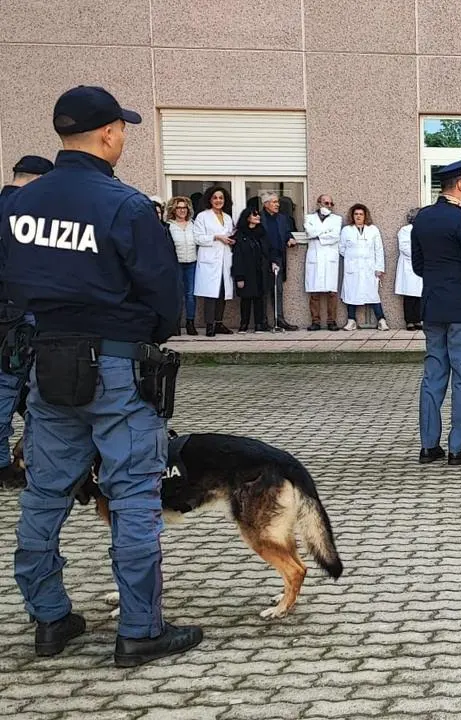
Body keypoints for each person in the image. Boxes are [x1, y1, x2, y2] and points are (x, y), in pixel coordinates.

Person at [0, 85, 201, 665]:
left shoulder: (17, 206)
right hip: (118, 367)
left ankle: (49, 619)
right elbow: (165, 300)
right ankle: (139, 630)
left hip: (47, 365)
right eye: (122, 130)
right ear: (109, 133)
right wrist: (137, 334)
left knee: (44, 496)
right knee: (134, 496)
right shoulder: (126, 205)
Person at [412, 156, 461, 466]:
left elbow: (418, 265)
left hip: (433, 307)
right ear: (460, 185)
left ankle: (428, 447)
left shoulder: (422, 218)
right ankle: (458, 447)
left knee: (433, 376)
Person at [0, 155, 53, 490]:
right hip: (21, 318)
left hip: (10, 316)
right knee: (29, 393)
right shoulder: (26, 214)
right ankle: (22, 465)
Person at [192, 186, 235, 337]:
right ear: (209, 200)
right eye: (215, 198)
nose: (218, 200)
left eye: (221, 198)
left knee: (222, 292)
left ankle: (219, 323)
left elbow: (230, 234)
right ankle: (209, 325)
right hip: (209, 259)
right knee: (210, 294)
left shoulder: (227, 217)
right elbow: (197, 238)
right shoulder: (202, 216)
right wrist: (216, 237)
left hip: (224, 259)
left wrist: (231, 240)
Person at [338, 203, 388, 331]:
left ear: (365, 216)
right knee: (351, 294)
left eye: (361, 214)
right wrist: (353, 257)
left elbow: (379, 249)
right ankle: (351, 320)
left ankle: (381, 320)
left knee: (373, 294)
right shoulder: (346, 230)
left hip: (369, 268)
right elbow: (341, 248)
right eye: (356, 214)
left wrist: (379, 268)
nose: (358, 216)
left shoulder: (373, 230)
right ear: (352, 216)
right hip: (353, 268)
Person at [303, 195, 342, 331]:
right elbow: (309, 232)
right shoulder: (309, 218)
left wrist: (317, 235)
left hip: (330, 258)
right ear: (319, 203)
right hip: (315, 256)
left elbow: (335, 236)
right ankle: (315, 322)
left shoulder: (337, 219)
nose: (329, 206)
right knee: (314, 293)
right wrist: (325, 232)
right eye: (326, 203)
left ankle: (331, 321)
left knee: (332, 292)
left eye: (331, 203)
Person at [260, 192, 299, 332]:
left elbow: (287, 232)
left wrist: (290, 239)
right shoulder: (259, 218)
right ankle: (262, 321)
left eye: (277, 202)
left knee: (278, 290)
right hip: (263, 259)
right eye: (274, 202)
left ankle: (279, 319)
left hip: (278, 258)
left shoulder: (283, 218)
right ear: (266, 204)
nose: (277, 205)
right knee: (263, 290)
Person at [231, 207, 271, 333]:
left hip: (260, 271)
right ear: (247, 218)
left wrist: (272, 263)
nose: (258, 217)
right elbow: (237, 257)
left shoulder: (262, 233)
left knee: (259, 298)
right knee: (246, 299)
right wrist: (239, 276)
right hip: (246, 272)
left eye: (258, 215)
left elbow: (267, 251)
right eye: (254, 215)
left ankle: (259, 324)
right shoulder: (240, 235)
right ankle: (244, 324)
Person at [164, 197, 199, 336]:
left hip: (192, 262)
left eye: (184, 207)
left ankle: (190, 323)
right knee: (177, 294)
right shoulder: (169, 226)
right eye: (179, 208)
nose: (182, 210)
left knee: (190, 294)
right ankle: (176, 324)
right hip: (176, 263)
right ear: (173, 209)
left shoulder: (193, 224)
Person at [396, 208, 424, 330]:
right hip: (408, 265)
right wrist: (419, 254)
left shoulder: (423, 229)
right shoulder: (405, 230)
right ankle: (409, 321)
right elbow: (404, 247)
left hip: (420, 265)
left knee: (419, 295)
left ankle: (418, 320)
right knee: (409, 296)